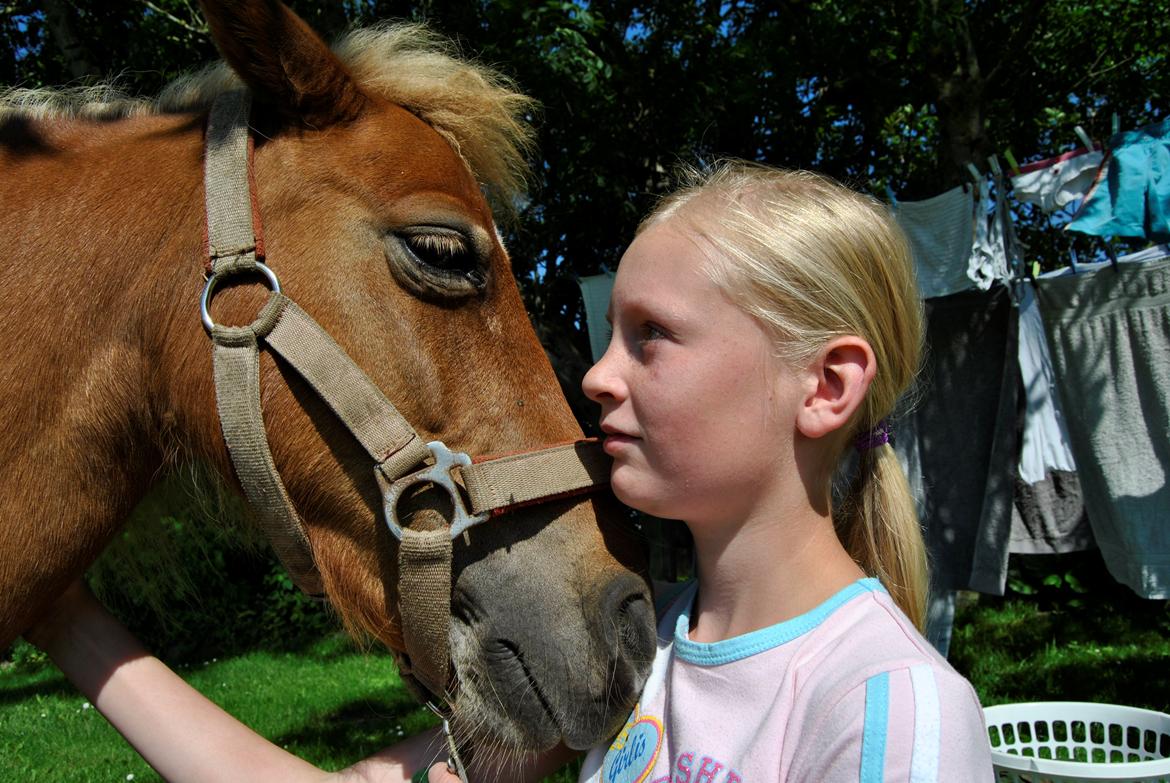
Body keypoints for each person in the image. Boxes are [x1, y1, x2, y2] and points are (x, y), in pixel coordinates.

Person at [25, 161, 994, 782]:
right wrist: (64, 615)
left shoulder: (886, 713)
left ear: (825, 386)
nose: (597, 375)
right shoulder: (632, 651)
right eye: (610, 330)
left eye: (652, 338)